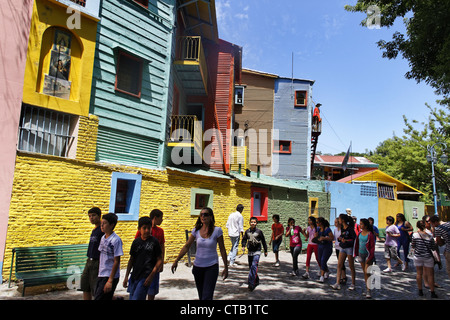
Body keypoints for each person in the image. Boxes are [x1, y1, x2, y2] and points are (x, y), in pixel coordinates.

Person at [171, 207, 228, 300]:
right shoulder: (196, 231)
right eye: (201, 215)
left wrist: (226, 267)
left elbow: (222, 249)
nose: (203, 216)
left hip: (211, 266)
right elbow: (187, 246)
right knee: (201, 296)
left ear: (211, 217)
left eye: (205, 214)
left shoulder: (217, 231)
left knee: (207, 296)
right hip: (198, 267)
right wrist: (176, 260)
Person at [123, 217, 163, 300]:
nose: (147, 231)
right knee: (132, 297)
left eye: (149, 228)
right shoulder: (136, 242)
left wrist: (151, 275)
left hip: (146, 276)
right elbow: (131, 259)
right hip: (135, 275)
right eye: (144, 228)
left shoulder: (154, 242)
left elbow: (159, 259)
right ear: (139, 229)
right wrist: (126, 276)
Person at [134, 209, 165, 300]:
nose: (162, 220)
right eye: (161, 218)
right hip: (143, 264)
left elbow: (162, 247)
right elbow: (136, 245)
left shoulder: (160, 231)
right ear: (155, 218)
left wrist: (161, 262)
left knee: (152, 288)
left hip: (154, 263)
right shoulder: (141, 230)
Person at [94, 213, 123, 300]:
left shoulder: (116, 240)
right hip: (101, 274)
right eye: (101, 223)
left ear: (112, 225)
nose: (102, 225)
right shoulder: (103, 238)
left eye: (105, 223)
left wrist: (110, 280)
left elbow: (116, 261)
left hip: (109, 275)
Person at [80, 207, 104, 300]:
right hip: (89, 260)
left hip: (97, 261)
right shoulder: (94, 230)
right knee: (85, 285)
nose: (91, 218)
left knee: (96, 288)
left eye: (93, 215)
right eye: (89, 216)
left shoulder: (102, 230)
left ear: (99, 216)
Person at [412, 220, 438, 298]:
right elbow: (433, 247)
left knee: (419, 274)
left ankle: (420, 291)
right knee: (430, 275)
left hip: (418, 256)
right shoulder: (429, 236)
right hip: (428, 257)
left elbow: (413, 245)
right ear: (425, 226)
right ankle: (432, 292)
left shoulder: (415, 235)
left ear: (417, 226)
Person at [242, 217, 268, 291]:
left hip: (257, 251)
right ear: (249, 223)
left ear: (256, 223)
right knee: (251, 267)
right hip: (250, 251)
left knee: (254, 266)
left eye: (254, 222)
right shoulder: (247, 231)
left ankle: (251, 283)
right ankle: (256, 280)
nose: (253, 223)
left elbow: (263, 241)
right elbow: (244, 239)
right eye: (251, 222)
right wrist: (243, 246)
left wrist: (265, 250)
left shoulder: (259, 232)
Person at [331, 214, 356, 290]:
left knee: (351, 266)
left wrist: (346, 240)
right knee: (339, 265)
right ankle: (337, 283)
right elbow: (342, 236)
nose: (338, 221)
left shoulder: (350, 229)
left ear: (343, 220)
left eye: (340, 219)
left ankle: (353, 283)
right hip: (342, 247)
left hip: (349, 248)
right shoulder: (342, 228)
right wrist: (340, 238)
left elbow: (354, 239)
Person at [354, 218, 376, 298]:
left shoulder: (370, 234)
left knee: (367, 272)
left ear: (366, 225)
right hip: (361, 254)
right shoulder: (360, 233)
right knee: (365, 272)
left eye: (362, 224)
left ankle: (368, 290)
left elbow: (372, 247)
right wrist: (356, 253)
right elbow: (357, 244)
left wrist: (370, 257)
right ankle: (368, 288)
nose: (360, 225)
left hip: (368, 255)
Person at [316, 217, 334, 283]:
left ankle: (322, 276)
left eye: (317, 222)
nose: (316, 223)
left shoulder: (327, 229)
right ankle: (327, 271)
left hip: (327, 247)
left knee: (323, 260)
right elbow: (317, 237)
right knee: (320, 260)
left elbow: (332, 238)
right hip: (320, 246)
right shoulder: (318, 229)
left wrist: (324, 238)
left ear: (321, 223)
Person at [333, 217, 346, 284]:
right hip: (337, 247)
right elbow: (334, 238)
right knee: (339, 262)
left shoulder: (342, 230)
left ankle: (343, 276)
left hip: (342, 247)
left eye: (336, 222)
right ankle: (341, 277)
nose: (335, 224)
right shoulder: (335, 229)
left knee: (341, 262)